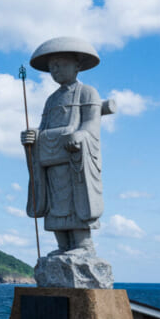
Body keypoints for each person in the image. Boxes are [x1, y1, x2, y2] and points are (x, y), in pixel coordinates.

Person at [21, 36, 103, 254]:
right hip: (50, 160)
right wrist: (32, 136)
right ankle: (62, 245)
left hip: (74, 159)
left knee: (76, 199)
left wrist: (81, 135)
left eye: (61, 64)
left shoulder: (87, 93)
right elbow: (43, 126)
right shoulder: (51, 99)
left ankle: (83, 245)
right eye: (52, 67)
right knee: (55, 201)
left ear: (77, 66)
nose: (56, 70)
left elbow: (91, 123)